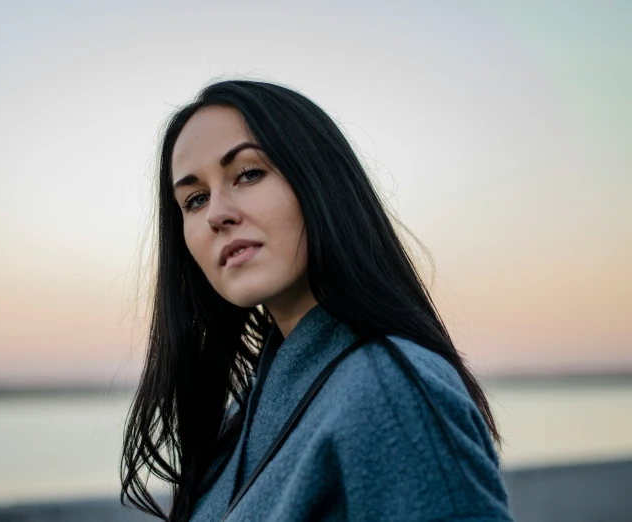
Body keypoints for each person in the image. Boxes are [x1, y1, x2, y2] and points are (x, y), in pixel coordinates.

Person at [120, 79, 514, 521]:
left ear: (319, 181)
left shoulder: (390, 389)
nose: (216, 214)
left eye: (248, 173)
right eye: (194, 199)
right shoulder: (243, 416)